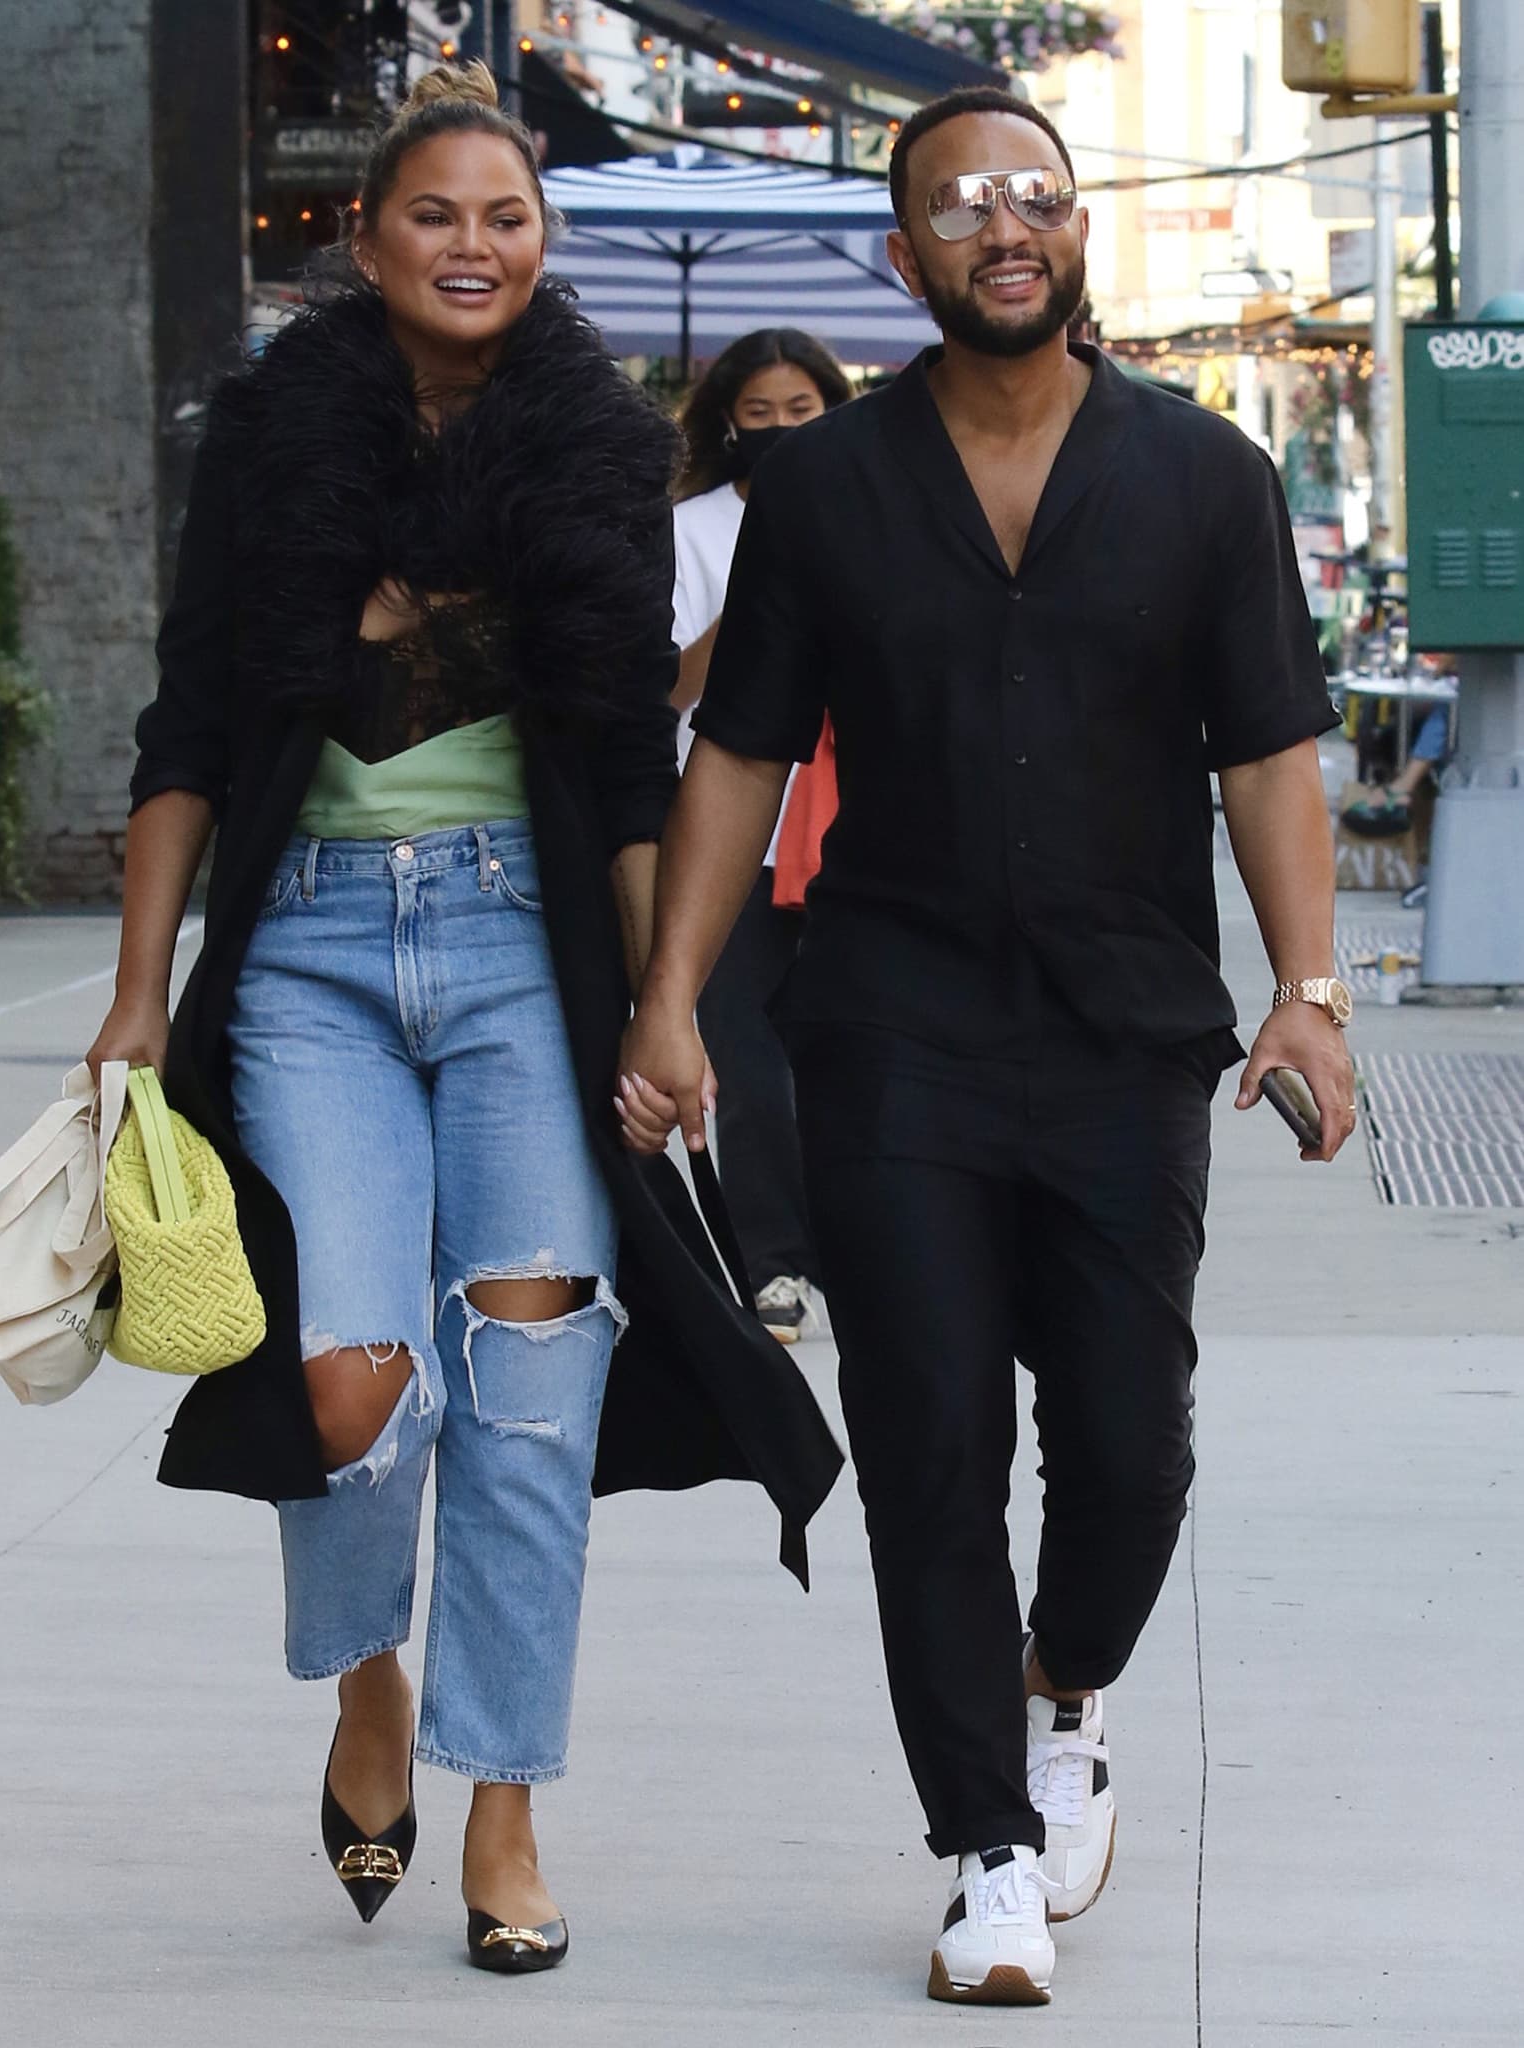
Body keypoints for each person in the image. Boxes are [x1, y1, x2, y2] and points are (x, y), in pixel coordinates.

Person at [87, 63, 839, 1975]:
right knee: (349, 1380)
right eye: (437, 214)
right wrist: (131, 992)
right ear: (366, 236)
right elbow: (195, 727)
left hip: (522, 948)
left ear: (542, 240)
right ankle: (370, 1680)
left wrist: (669, 1003)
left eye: (507, 216)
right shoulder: (271, 447)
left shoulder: (590, 451)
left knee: (528, 1383)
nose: (474, 244)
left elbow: (621, 761)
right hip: (311, 957)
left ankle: (505, 1804)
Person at [616, 84, 1356, 2007]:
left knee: (1131, 1447)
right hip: (896, 1031)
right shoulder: (830, 487)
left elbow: (1270, 748)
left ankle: (1063, 1688)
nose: (1001, 227)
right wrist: (673, 997)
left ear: (1078, 229)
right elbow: (741, 753)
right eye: (960, 205)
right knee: (931, 1442)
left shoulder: (1202, 478)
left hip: (1122, 1034)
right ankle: (985, 1851)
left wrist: (1312, 984)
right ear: (909, 253)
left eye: (1034, 195)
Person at [671, 329, 853, 1343]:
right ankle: (770, 1259)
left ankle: (852, 1246)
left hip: (852, 823)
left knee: (846, 1053)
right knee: (744, 1058)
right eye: (759, 417)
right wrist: (761, 591)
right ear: (726, 427)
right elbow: (666, 687)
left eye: (801, 414)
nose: (781, 433)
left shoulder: (874, 512)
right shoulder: (690, 531)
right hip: (729, 831)